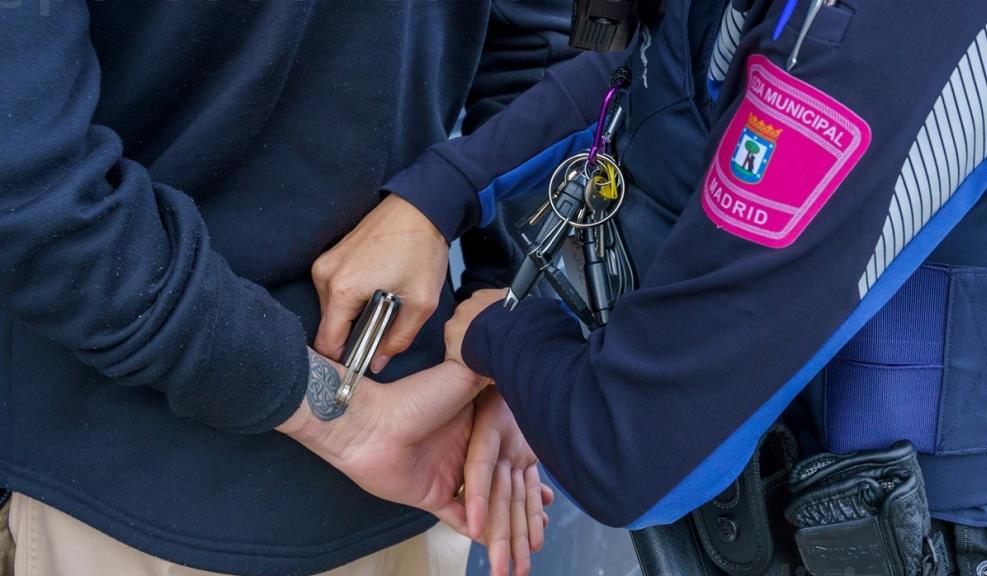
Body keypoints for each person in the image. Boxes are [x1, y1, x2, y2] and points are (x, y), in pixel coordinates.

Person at [316, 0, 987, 572]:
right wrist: (440, 194)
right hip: (754, 506)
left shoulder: (894, 30)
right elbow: (656, 78)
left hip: (905, 536)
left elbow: (629, 453)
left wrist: (498, 331)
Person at [0, 1, 575, 574]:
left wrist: (505, 323)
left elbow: (32, 194)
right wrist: (511, 326)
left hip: (401, 456)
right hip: (165, 488)